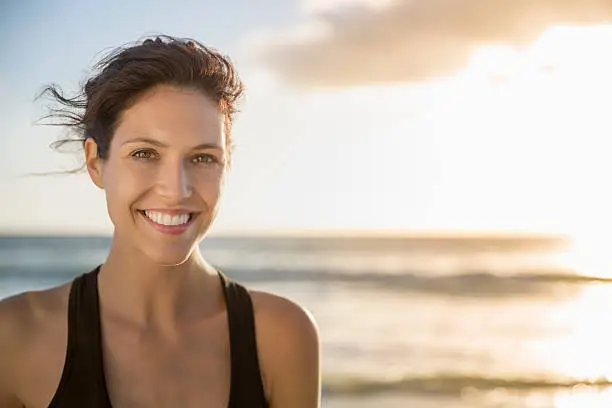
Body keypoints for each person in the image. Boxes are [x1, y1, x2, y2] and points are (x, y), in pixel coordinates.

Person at [0, 35, 321, 408]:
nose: (176, 190)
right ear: (95, 162)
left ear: (227, 165)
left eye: (202, 158)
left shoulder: (282, 337)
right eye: (145, 153)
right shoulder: (15, 337)